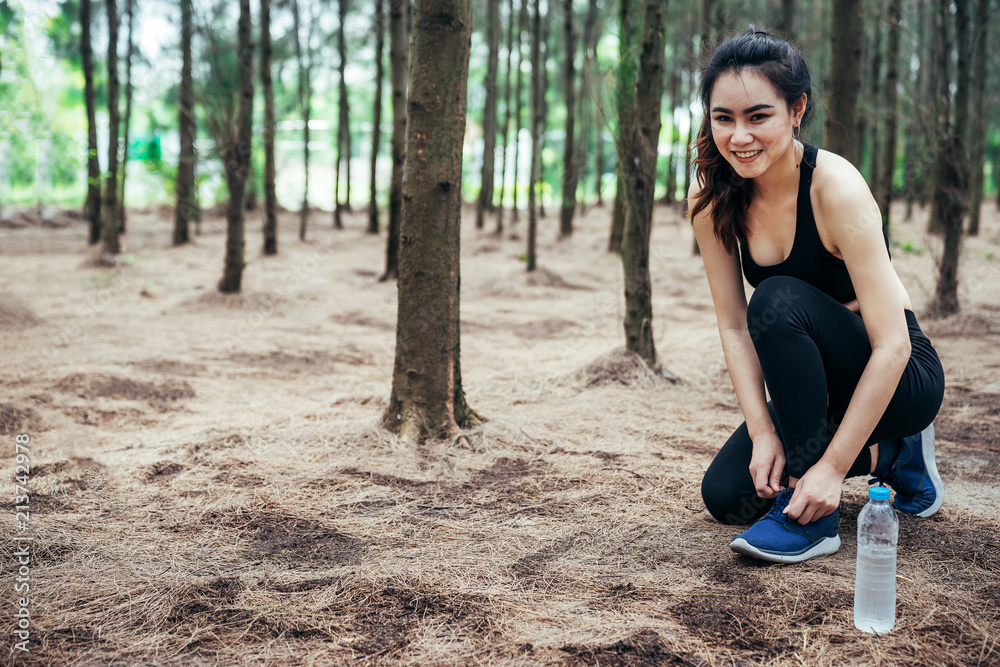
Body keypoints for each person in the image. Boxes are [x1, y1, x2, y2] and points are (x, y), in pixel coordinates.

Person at [687, 29, 945, 564]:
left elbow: (893, 345)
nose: (739, 137)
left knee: (778, 299)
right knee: (729, 496)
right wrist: (763, 433)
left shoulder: (835, 187)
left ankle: (816, 523)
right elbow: (734, 326)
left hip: (899, 376)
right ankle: (893, 455)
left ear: (796, 109)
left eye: (759, 116)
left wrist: (826, 472)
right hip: (817, 387)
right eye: (723, 118)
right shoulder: (711, 196)